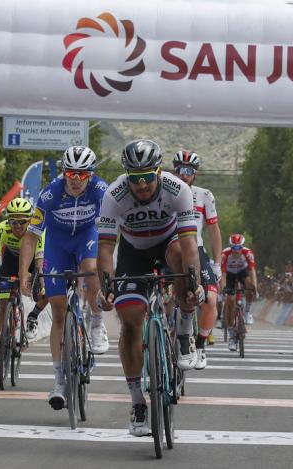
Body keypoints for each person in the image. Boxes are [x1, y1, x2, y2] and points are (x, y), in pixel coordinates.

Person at [97, 139, 203, 437]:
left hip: (169, 243)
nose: (142, 185)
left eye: (147, 177)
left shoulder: (177, 189)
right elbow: (105, 248)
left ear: (159, 172)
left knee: (182, 262)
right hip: (132, 252)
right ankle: (137, 403)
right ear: (126, 176)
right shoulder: (113, 194)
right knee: (130, 323)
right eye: (135, 178)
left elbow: (189, 244)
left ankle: (184, 334)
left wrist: (193, 282)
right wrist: (106, 286)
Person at [18, 145, 109, 411]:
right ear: (64, 172)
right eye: (71, 173)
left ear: (91, 174)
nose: (76, 179)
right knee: (58, 313)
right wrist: (25, 272)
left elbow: (110, 229)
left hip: (86, 237)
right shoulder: (50, 194)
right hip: (57, 243)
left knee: (91, 270)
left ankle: (97, 322)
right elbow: (32, 235)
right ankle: (59, 379)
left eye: (83, 174)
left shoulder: (101, 191)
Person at [0, 198, 47, 373]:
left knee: (43, 292)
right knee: (2, 307)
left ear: (29, 220)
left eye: (22, 221)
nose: (17, 225)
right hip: (9, 263)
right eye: (13, 221)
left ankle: (29, 320)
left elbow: (39, 261)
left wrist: (40, 282)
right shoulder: (2, 228)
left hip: (31, 263)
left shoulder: (36, 230)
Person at [172, 150, 222, 369]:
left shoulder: (204, 195)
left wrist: (218, 263)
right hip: (169, 249)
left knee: (210, 299)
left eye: (189, 171)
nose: (185, 175)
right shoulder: (164, 192)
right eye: (181, 170)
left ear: (195, 174)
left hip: (196, 248)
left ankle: (200, 345)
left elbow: (213, 230)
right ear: (174, 171)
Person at [220, 233, 258, 352]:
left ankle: (247, 312)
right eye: (234, 248)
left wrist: (255, 287)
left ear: (242, 247)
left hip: (243, 272)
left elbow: (252, 271)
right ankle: (231, 335)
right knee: (230, 301)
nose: (236, 251)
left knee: (250, 287)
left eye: (239, 248)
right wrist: (223, 288)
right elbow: (223, 274)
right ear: (231, 247)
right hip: (230, 275)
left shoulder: (248, 253)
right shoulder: (225, 254)